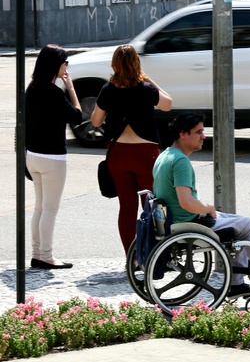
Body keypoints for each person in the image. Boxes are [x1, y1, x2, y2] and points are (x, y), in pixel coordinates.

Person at [152, 112, 250, 301]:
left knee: (240, 224)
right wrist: (208, 208)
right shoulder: (180, 161)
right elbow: (186, 202)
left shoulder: (164, 155)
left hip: (174, 222)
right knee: (248, 226)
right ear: (183, 134)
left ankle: (239, 283)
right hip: (189, 223)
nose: (203, 136)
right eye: (198, 132)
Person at [91, 45, 172, 254]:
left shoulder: (108, 89)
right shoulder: (146, 89)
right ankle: (153, 253)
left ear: (114, 65)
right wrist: (148, 80)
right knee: (151, 204)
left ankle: (132, 256)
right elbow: (168, 104)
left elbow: (95, 121)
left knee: (127, 207)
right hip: (145, 154)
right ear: (137, 64)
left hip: (118, 153)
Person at [25, 44, 83, 269]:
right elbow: (77, 116)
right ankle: (47, 256)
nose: (67, 67)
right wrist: (71, 88)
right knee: (49, 209)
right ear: (56, 65)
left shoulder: (32, 88)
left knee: (40, 207)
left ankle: (37, 253)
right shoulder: (54, 92)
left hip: (33, 155)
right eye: (65, 63)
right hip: (53, 158)